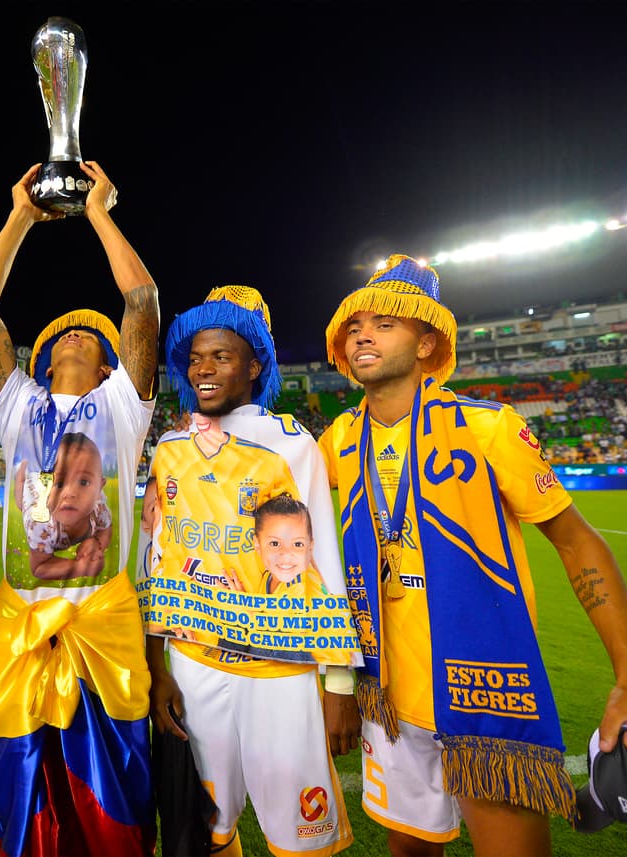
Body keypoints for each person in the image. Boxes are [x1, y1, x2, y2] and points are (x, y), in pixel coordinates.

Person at [318, 254, 627, 856]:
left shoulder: (489, 428)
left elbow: (577, 541)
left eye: (385, 324)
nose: (362, 335)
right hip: (387, 695)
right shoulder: (339, 439)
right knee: (410, 850)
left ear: (427, 343)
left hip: (484, 693)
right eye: (354, 326)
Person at [0, 161, 159, 857]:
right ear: (42, 364)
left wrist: (99, 211)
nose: (75, 333)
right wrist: (21, 215)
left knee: (115, 816)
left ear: (110, 365)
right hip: (20, 632)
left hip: (102, 631)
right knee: (22, 812)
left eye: (89, 335)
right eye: (62, 335)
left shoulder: (123, 407)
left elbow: (141, 302)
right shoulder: (18, 407)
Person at [143, 286, 359, 857]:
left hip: (279, 668)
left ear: (255, 363)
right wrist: (157, 667)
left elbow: (322, 560)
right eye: (196, 357)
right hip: (193, 666)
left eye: (222, 355)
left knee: (301, 835)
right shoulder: (171, 447)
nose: (204, 369)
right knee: (206, 829)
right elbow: (157, 562)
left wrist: (339, 681)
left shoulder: (292, 444)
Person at [14, 431, 112, 579]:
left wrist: (96, 542)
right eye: (60, 484)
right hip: (33, 489)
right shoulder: (41, 524)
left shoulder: (99, 508)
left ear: (100, 487)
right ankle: (22, 470)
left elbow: (106, 529)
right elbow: (39, 567)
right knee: (20, 498)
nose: (70, 493)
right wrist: (78, 568)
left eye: (83, 482)